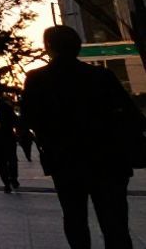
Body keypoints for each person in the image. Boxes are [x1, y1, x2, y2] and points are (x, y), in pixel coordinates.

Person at [23, 25, 145, 249]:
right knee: (115, 224)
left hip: (65, 161)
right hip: (108, 160)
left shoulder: (37, 79)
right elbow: (131, 116)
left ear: (49, 47)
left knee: (75, 219)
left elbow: (30, 119)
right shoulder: (102, 76)